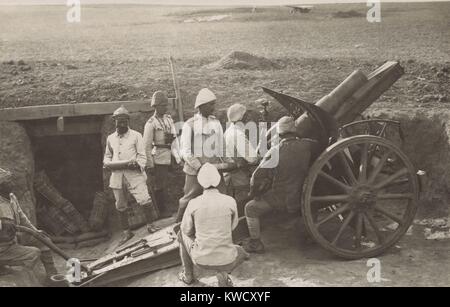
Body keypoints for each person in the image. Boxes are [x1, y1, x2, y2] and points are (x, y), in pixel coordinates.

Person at [243, 116, 314, 253]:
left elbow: (256, 177)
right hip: (303, 195)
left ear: (280, 134)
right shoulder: (308, 146)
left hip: (281, 199)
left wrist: (255, 194)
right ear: (295, 131)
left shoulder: (275, 151)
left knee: (249, 208)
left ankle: (255, 243)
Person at [178, 163, 249, 287]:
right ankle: (223, 274)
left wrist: (199, 234)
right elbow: (233, 226)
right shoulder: (230, 201)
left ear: (200, 182)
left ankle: (188, 275)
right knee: (241, 252)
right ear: (218, 180)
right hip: (228, 260)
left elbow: (186, 230)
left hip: (201, 260)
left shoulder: (193, 203)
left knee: (180, 233)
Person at [104, 105, 160, 246]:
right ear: (114, 121)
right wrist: (109, 163)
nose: (122, 123)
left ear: (128, 121)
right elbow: (107, 156)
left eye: (124, 121)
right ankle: (126, 232)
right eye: (119, 121)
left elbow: (142, 156)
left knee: (144, 199)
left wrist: (136, 164)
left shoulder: (136, 136)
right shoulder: (110, 139)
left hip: (134, 174)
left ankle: (151, 225)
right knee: (120, 204)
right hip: (117, 176)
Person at [176, 88, 227, 222]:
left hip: (215, 169)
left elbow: (222, 146)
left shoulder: (216, 123)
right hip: (195, 171)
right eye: (210, 104)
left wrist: (227, 162)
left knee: (222, 198)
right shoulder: (189, 125)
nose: (213, 107)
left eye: (213, 104)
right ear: (201, 106)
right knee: (188, 200)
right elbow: (185, 151)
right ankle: (178, 226)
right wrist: (199, 167)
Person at [0, 168, 58, 283]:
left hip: (14, 239)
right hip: (2, 247)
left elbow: (22, 217)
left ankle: (52, 275)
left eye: (10, 180)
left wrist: (35, 231)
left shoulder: (11, 197)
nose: (12, 184)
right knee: (33, 253)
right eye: (7, 182)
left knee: (43, 238)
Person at [143, 91, 179, 218]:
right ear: (156, 106)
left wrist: (178, 156)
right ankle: (162, 211)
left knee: (172, 182)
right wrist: (150, 164)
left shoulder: (169, 119)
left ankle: (173, 206)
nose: (165, 107)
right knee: (159, 184)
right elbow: (146, 146)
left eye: (166, 105)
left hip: (171, 154)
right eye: (163, 105)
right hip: (158, 156)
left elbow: (175, 139)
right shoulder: (151, 123)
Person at [224, 103, 259, 216]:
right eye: (246, 115)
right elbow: (252, 159)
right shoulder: (238, 134)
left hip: (230, 179)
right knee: (243, 209)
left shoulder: (228, 132)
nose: (249, 118)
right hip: (240, 180)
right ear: (242, 118)